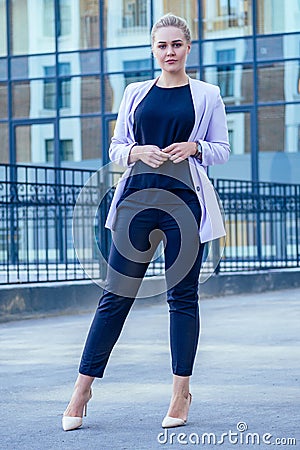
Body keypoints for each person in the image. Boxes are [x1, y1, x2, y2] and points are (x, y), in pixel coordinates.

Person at [62, 13, 230, 432]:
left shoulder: (207, 94)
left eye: (177, 44)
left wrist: (196, 146)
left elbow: (223, 150)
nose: (170, 52)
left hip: (185, 208)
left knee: (182, 298)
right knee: (115, 296)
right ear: (153, 50)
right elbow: (118, 147)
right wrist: (138, 152)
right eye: (162, 45)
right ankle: (82, 389)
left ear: (188, 48)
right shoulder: (136, 92)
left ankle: (180, 391)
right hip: (137, 204)